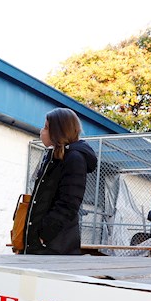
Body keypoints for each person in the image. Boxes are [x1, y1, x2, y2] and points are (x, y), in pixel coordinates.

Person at [21, 108, 98, 255]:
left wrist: (45, 234)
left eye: (46, 127)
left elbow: (69, 203)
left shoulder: (74, 158)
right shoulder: (53, 156)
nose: (42, 131)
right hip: (42, 244)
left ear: (58, 131)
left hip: (56, 245)